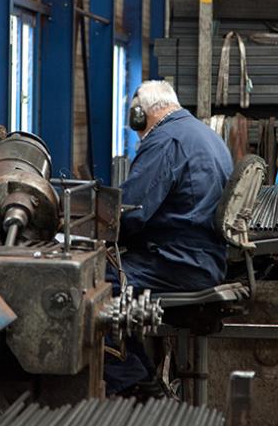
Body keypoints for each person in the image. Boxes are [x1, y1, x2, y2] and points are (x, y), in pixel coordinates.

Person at [104, 80, 233, 397]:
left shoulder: (166, 141)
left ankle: (135, 384)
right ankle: (143, 376)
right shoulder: (202, 134)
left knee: (94, 286)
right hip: (203, 258)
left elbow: (130, 213)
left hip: (179, 263)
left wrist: (95, 229)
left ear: (139, 114)